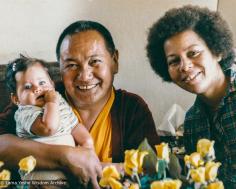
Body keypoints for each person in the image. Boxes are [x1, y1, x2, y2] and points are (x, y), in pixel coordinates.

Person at [0, 20, 160, 188]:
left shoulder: (131, 108)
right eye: (71, 65)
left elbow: (152, 170)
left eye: (94, 61)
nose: (84, 76)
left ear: (114, 61)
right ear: (59, 69)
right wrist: (65, 156)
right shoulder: (38, 100)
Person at [146, 5, 236, 188]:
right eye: (174, 61)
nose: (184, 66)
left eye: (193, 53)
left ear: (217, 51)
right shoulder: (192, 123)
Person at [5, 55, 99, 180]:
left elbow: (72, 122)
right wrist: (51, 103)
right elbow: (48, 128)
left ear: (52, 84)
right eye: (28, 87)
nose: (37, 89)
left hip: (67, 168)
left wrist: (87, 143)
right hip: (41, 172)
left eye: (42, 82)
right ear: (16, 99)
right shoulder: (25, 112)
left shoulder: (57, 99)